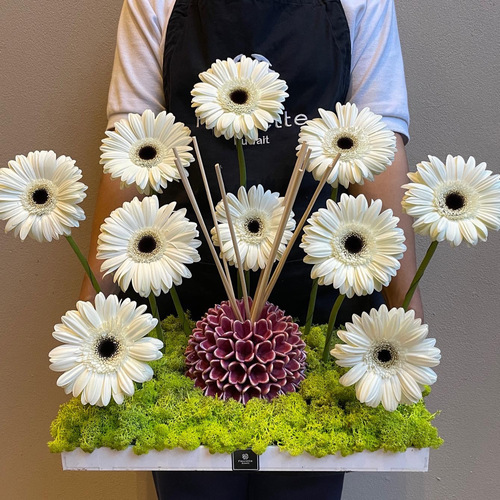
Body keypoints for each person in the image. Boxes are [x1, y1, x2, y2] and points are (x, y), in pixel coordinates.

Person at [80, 1, 423, 498]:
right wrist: (91, 318)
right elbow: (131, 154)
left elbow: (380, 154)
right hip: (190, 318)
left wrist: (406, 323)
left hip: (321, 318)